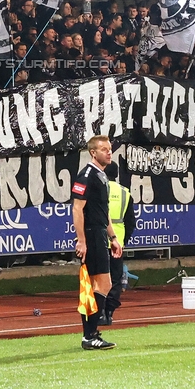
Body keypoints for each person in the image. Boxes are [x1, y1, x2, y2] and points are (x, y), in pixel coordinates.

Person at [72, 135, 122, 350]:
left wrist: (113, 237)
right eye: (104, 149)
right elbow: (77, 208)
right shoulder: (87, 175)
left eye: (109, 149)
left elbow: (105, 212)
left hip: (100, 233)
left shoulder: (101, 176)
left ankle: (90, 334)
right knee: (100, 284)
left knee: (96, 286)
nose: (109, 152)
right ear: (93, 153)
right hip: (92, 234)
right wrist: (82, 240)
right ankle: (90, 334)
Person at [99, 162, 134, 326]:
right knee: (115, 278)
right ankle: (110, 313)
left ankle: (99, 313)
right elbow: (131, 222)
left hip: (99, 240)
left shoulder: (99, 189)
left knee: (99, 277)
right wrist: (123, 241)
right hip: (117, 243)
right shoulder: (125, 193)